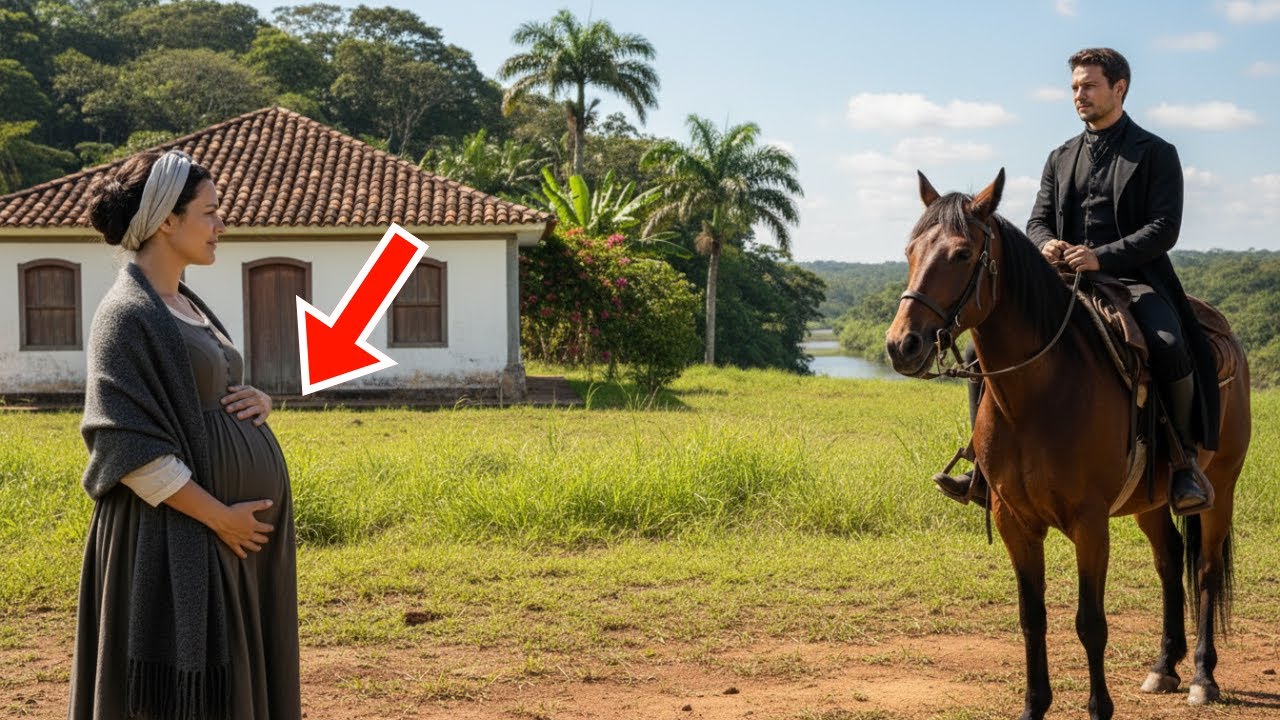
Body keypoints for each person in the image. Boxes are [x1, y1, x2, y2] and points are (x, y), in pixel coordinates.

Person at [933, 47, 1218, 515]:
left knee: (1168, 343)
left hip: (1134, 281)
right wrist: (1046, 244)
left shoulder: (1156, 154)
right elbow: (1038, 220)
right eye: (1074, 88)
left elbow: (1164, 228)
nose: (1078, 95)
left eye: (1089, 86)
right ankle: (983, 468)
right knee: (973, 351)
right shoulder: (1060, 156)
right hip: (1062, 284)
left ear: (1119, 88)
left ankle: (1185, 464)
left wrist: (1099, 256)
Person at [69, 149, 301, 719]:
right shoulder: (126, 314)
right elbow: (126, 445)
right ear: (167, 221)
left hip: (224, 537)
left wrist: (254, 399)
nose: (222, 224)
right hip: (176, 533)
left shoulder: (182, 303)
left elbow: (205, 390)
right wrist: (219, 516)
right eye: (210, 211)